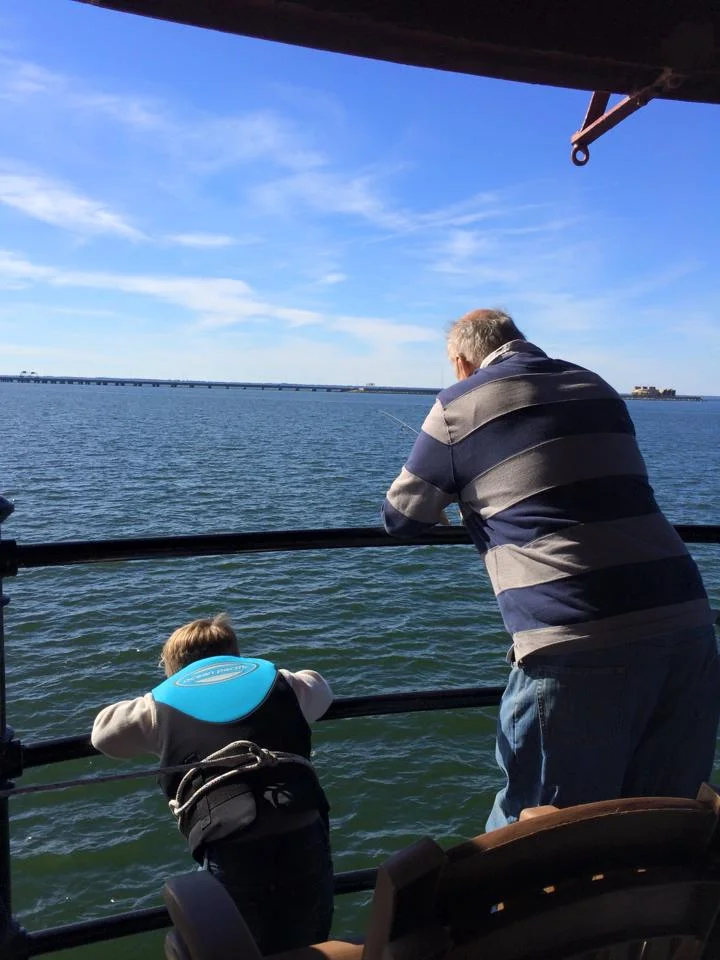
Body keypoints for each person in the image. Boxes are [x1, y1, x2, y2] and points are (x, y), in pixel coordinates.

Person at [382, 308, 720, 830]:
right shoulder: (596, 385)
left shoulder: (459, 403)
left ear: (460, 361)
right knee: (663, 822)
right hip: (687, 622)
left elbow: (401, 518)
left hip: (574, 637)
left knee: (538, 831)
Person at [91, 613, 334, 952]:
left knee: (237, 948)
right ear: (234, 654)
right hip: (302, 824)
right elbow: (321, 691)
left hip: (230, 840)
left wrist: (163, 696)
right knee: (308, 945)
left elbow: (104, 734)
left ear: (173, 667)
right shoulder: (280, 682)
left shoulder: (158, 706)